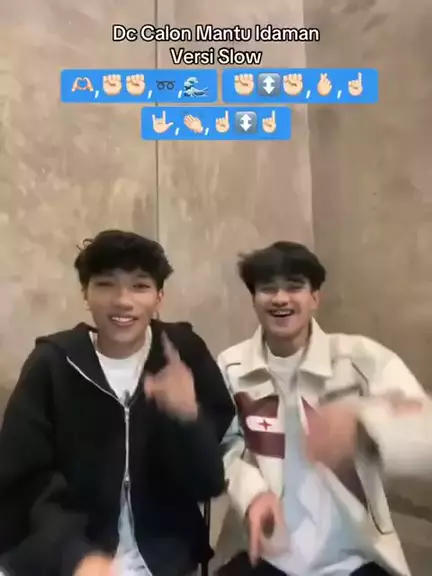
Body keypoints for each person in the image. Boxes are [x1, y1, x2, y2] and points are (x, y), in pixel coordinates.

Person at [0, 230, 235, 576]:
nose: (123, 301)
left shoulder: (182, 354)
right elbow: (24, 483)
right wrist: (73, 554)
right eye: (106, 284)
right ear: (85, 293)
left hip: (163, 560)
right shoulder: (53, 364)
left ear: (159, 296)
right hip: (67, 558)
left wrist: (188, 418)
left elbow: (207, 483)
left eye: (140, 286)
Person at [218, 241, 432, 576]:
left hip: (355, 556)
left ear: (315, 297)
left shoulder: (360, 358)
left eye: (294, 286)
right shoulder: (232, 366)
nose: (280, 298)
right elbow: (224, 447)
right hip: (267, 552)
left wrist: (364, 426)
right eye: (268, 288)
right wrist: (251, 494)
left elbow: (425, 430)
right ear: (254, 299)